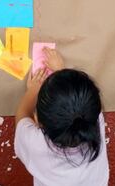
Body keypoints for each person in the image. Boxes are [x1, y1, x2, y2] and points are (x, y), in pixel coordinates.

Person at [14, 47, 109, 186]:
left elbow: (22, 114)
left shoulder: (34, 143)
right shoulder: (93, 123)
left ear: (38, 122)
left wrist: (33, 91)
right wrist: (61, 74)